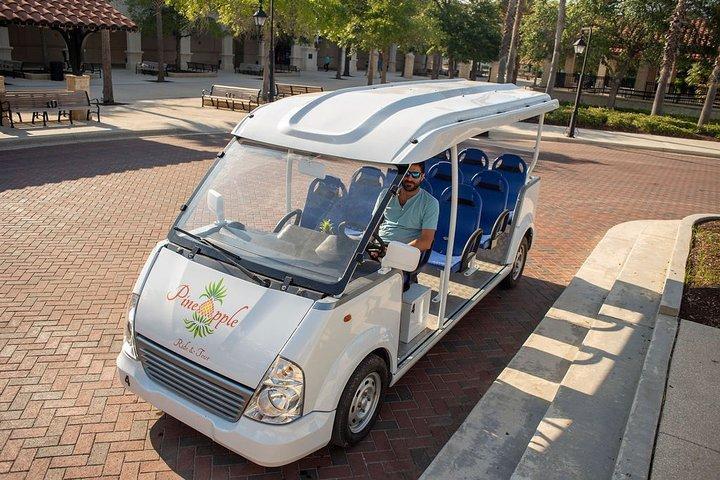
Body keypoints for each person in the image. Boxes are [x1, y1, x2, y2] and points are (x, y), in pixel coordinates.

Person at [372, 162, 439, 288]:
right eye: (406, 173)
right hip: (378, 248)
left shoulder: (430, 203)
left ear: (422, 176)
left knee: (379, 286)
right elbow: (372, 227)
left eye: (415, 174)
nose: (409, 178)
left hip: (405, 254)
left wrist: (394, 252)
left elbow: (426, 241)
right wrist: (370, 245)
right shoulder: (385, 195)